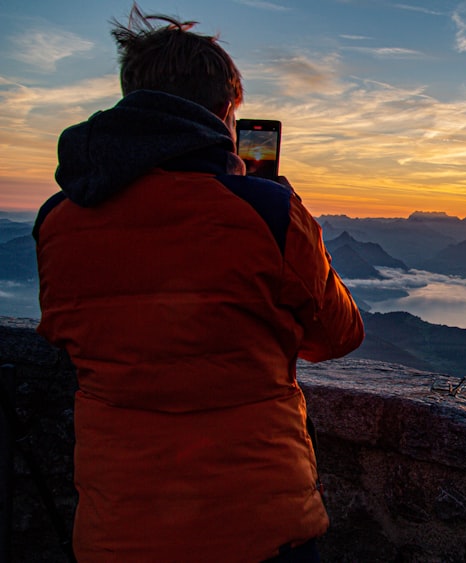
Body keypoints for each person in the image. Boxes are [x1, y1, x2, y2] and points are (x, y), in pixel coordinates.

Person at [33, 6, 364, 562]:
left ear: (130, 95)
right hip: (258, 523)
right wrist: (285, 208)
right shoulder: (268, 213)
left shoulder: (59, 220)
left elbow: (72, 335)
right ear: (224, 112)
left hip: (119, 530)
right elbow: (340, 335)